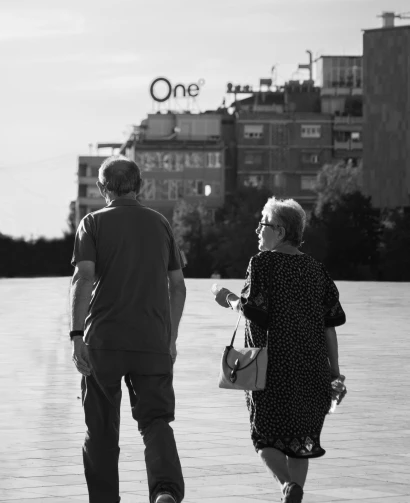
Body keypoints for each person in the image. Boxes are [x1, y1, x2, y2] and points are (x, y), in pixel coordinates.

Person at [212, 197, 346, 503]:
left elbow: (253, 310)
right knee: (302, 441)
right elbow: (330, 326)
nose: (257, 229)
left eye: (263, 223)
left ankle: (288, 486)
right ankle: (293, 493)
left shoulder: (262, 264)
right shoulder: (316, 270)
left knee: (264, 437)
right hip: (313, 372)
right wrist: (334, 373)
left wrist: (228, 297)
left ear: (281, 231)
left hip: (271, 368)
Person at [70, 155, 186, 503]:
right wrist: (171, 337)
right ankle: (164, 490)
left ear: (102, 188)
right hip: (152, 341)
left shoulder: (92, 223)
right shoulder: (160, 223)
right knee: (156, 422)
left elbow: (84, 277)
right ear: (140, 187)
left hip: (103, 342)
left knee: (101, 429)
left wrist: (76, 335)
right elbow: (178, 285)